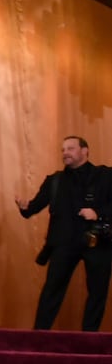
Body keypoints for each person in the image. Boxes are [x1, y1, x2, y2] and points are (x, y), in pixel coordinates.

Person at [17, 136, 112, 331]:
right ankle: (39, 336)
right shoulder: (55, 180)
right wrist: (25, 207)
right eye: (63, 150)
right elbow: (33, 208)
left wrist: (98, 213)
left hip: (97, 242)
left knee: (98, 292)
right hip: (64, 243)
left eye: (70, 148)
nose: (65, 153)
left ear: (85, 151)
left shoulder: (105, 175)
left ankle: (89, 339)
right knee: (52, 290)